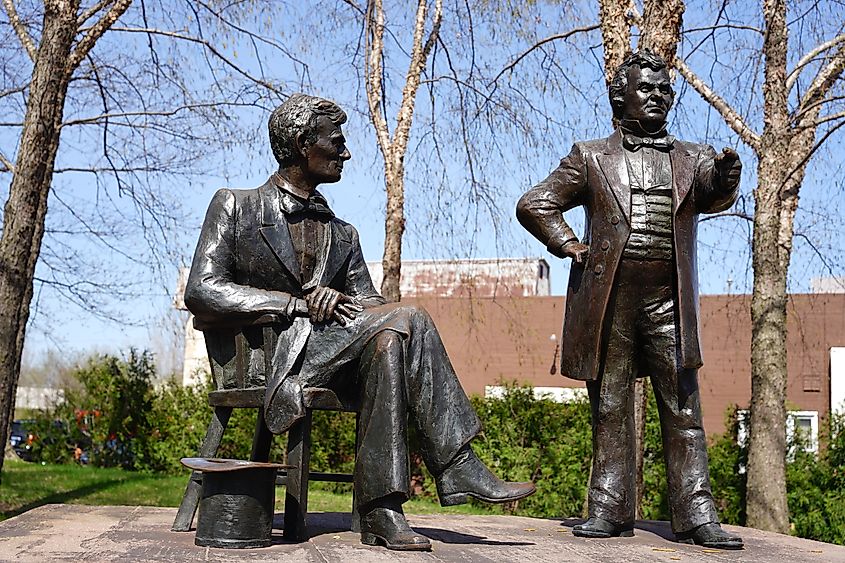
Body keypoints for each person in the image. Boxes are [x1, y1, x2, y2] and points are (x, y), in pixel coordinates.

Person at [185, 93, 535, 551]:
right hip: (265, 358)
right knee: (407, 317)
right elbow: (202, 289)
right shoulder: (236, 205)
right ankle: (455, 463)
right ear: (301, 144)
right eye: (336, 142)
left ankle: (382, 513)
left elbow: (369, 305)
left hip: (330, 354)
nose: (346, 152)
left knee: (390, 338)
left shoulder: (342, 232)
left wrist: (339, 299)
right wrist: (294, 304)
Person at [516, 50, 743, 549]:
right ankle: (608, 507)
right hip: (610, 299)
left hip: (669, 300)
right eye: (648, 89)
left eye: (665, 89)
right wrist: (568, 243)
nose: (659, 96)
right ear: (620, 97)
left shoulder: (693, 157)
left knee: (683, 407)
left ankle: (697, 513)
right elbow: (535, 203)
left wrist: (725, 180)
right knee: (611, 405)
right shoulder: (591, 155)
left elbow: (711, 192)